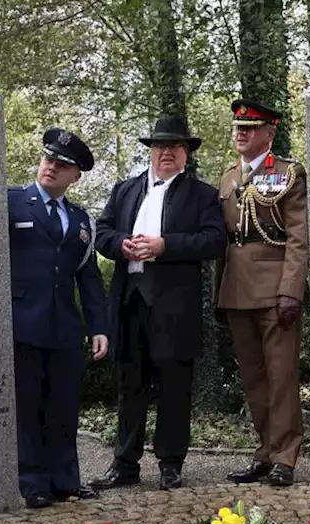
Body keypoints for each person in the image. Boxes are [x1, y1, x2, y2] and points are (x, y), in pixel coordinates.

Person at [88, 115, 226, 491]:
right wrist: (121, 244)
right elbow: (102, 232)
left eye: (175, 146)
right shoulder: (124, 190)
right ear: (151, 151)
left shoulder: (203, 194)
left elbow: (214, 241)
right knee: (129, 384)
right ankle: (125, 463)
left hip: (173, 304)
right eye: (160, 146)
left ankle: (170, 463)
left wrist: (166, 246)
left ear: (186, 154)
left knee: (173, 385)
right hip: (129, 299)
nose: (167, 152)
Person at [8, 127, 109, 509]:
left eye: (62, 164)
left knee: (64, 406)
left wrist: (98, 326)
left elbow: (88, 276)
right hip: (22, 322)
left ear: (75, 175)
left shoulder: (82, 220)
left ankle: (65, 480)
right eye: (49, 158)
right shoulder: (12, 202)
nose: (52, 166)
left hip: (65, 326)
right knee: (29, 405)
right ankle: (33, 483)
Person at [215, 99, 309, 487]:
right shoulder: (226, 177)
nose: (241, 133)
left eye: (250, 128)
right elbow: (224, 241)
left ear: (269, 133)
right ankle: (265, 452)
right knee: (253, 378)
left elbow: (298, 239)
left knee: (282, 375)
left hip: (274, 291)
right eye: (239, 127)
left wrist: (291, 291)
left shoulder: (288, 174)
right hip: (236, 291)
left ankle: (286, 456)